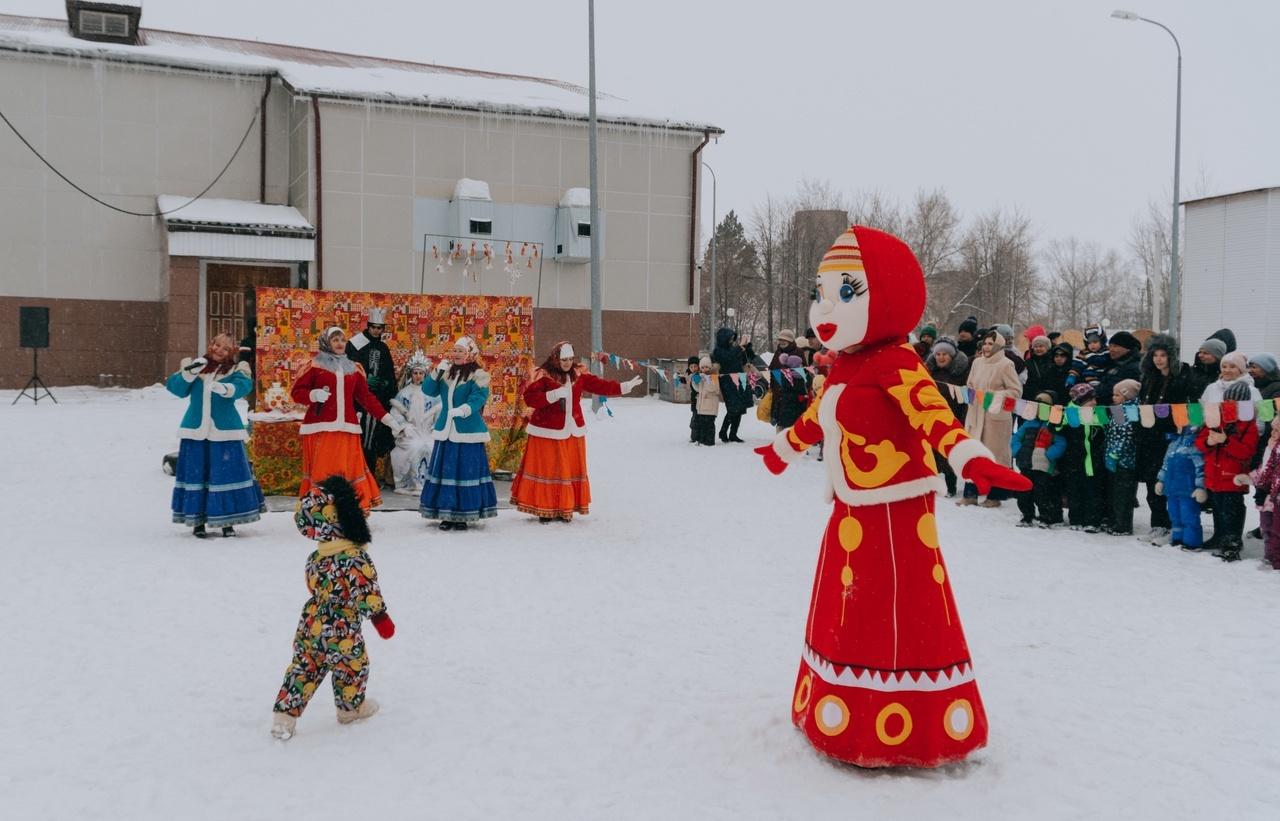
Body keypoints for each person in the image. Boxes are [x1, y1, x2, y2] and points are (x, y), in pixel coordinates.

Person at [756, 225, 1029, 768]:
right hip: (852, 507)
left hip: (897, 510)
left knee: (896, 608)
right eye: (822, 293)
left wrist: (972, 458)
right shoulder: (846, 367)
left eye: (848, 292)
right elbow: (819, 418)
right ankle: (841, 709)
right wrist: (785, 446)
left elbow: (932, 413)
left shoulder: (897, 363)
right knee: (849, 603)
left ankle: (905, 722)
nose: (827, 308)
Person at [270, 476, 395, 741]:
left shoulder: (316, 557)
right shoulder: (354, 557)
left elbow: (312, 584)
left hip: (311, 620)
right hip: (343, 626)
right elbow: (366, 589)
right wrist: (380, 617)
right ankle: (350, 708)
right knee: (352, 666)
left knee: (304, 666)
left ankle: (285, 716)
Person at [510, 341, 642, 522]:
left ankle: (565, 507)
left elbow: (600, 386)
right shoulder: (544, 376)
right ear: (556, 358)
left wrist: (623, 387)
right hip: (547, 432)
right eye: (564, 359)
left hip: (572, 432)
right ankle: (545, 508)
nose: (567, 363)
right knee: (549, 470)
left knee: (567, 471)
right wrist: (552, 395)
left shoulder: (579, 376)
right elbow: (530, 399)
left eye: (570, 359)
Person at [291, 326, 403, 511]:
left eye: (342, 340)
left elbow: (367, 398)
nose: (340, 343)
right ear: (326, 342)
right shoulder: (314, 366)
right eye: (335, 340)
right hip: (322, 429)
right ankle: (321, 509)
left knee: (346, 471)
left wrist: (389, 420)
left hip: (347, 430)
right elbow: (297, 393)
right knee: (325, 471)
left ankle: (348, 510)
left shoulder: (354, 369)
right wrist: (313, 395)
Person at [166, 332, 266, 538]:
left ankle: (228, 521)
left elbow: (243, 387)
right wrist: (190, 372)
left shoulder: (238, 368)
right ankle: (198, 522)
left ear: (232, 352)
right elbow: (176, 389)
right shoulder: (195, 365)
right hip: (195, 431)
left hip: (225, 432)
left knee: (225, 475)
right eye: (217, 345)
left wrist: (225, 388)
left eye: (226, 348)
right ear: (210, 345)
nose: (219, 350)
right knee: (198, 475)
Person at [417, 336, 498, 531]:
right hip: (446, 429)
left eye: (461, 351)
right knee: (447, 472)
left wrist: (463, 410)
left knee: (464, 471)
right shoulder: (446, 373)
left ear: (469, 353)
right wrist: (437, 371)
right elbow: (428, 390)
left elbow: (478, 398)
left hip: (468, 430)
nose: (456, 354)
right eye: (454, 350)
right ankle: (446, 513)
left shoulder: (478, 375)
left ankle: (464, 514)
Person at [1136, 334, 1194, 544]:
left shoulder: (1184, 375)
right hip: (1149, 436)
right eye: (1155, 355)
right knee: (1153, 481)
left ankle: (1175, 524)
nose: (1159, 359)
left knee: (1171, 481)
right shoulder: (1149, 377)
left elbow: (1189, 406)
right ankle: (1158, 523)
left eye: (1163, 355)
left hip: (1174, 436)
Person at [1195, 381, 1259, 560]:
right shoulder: (1215, 417)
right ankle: (1219, 536)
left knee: (1232, 509)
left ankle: (1232, 543)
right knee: (1218, 508)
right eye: (1228, 399)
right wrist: (1209, 442)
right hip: (1214, 473)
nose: (1230, 403)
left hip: (1233, 475)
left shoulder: (1248, 423)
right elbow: (1200, 443)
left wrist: (1226, 441)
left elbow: (1247, 451)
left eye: (1235, 401)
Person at [959, 329, 1023, 507]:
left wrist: (993, 395)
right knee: (973, 454)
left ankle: (995, 496)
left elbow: (1016, 391)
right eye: (985, 343)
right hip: (976, 413)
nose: (987, 347)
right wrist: (970, 392)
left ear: (999, 345)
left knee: (995, 456)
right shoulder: (977, 362)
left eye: (990, 344)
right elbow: (970, 384)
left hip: (995, 417)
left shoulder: (1006, 364)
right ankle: (970, 494)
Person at [345, 308, 398, 481]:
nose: (376, 330)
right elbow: (346, 368)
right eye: (373, 327)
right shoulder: (355, 344)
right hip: (357, 401)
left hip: (376, 400)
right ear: (368, 326)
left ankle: (369, 476)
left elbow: (389, 374)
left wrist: (385, 383)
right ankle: (355, 475)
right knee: (357, 438)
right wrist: (362, 381)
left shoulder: (383, 347)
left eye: (380, 327)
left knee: (371, 439)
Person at [1011, 389, 1067, 527]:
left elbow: (1061, 443)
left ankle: (1045, 517)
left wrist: (1049, 455)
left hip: (1043, 467)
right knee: (1024, 492)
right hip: (1026, 463)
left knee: (1042, 493)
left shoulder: (1053, 426)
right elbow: (1016, 437)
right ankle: (1027, 515)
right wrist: (1018, 450)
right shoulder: (1029, 423)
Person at [388, 351, 440, 495]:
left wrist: (435, 429)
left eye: (421, 373)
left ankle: (430, 483)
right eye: (415, 373)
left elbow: (440, 413)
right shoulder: (404, 393)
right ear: (411, 374)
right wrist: (405, 427)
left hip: (428, 432)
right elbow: (396, 413)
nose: (418, 376)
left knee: (431, 446)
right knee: (414, 446)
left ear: (426, 374)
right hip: (410, 433)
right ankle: (412, 483)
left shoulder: (433, 394)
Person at [925, 337, 971, 496]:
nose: (941, 357)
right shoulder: (929, 371)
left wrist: (962, 419)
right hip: (931, 416)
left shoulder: (961, 373)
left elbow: (966, 399)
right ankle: (931, 483)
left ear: (951, 356)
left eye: (945, 354)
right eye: (938, 354)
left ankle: (951, 486)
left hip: (953, 415)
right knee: (930, 452)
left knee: (949, 452)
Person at [1062, 383, 1107, 532]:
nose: (1094, 403)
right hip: (1074, 460)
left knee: (1093, 491)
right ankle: (1076, 519)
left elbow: (1106, 432)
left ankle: (1092, 520)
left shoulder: (1099, 413)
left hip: (1094, 460)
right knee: (1074, 490)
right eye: (1090, 400)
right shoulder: (1069, 413)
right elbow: (1056, 429)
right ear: (1080, 401)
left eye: (1095, 399)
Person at [1155, 426, 1208, 550]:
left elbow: (1200, 467)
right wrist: (1161, 480)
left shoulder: (1193, 443)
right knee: (1174, 514)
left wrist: (1200, 486)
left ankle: (1192, 541)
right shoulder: (1173, 443)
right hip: (1172, 487)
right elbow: (1166, 464)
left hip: (1188, 489)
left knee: (1189, 515)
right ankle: (1177, 537)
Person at [1103, 379, 1142, 535]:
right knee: (1115, 493)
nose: (1114, 397)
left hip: (1125, 460)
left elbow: (1126, 435)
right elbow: (1114, 433)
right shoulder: (1119, 409)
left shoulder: (1130, 410)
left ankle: (1123, 525)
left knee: (1123, 495)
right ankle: (1116, 521)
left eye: (1117, 394)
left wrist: (1115, 453)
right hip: (1115, 457)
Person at [712, 327, 755, 443]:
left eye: (733, 339)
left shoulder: (734, 349)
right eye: (730, 338)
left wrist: (747, 347)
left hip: (740, 380)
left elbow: (750, 358)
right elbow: (727, 357)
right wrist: (739, 347)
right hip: (728, 381)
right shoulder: (718, 351)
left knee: (740, 408)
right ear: (724, 339)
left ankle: (733, 434)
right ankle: (723, 431)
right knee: (733, 409)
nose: (732, 341)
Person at [1248, 423, 1280, 569]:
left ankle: (1277, 559)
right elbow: (1266, 469)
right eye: (1273, 430)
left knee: (1277, 529)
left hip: (1276, 495)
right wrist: (1260, 487)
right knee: (1267, 527)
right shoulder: (1271, 448)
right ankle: (1270, 556)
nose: (1273, 433)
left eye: (1277, 430)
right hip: (1269, 494)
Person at [1093, 331, 1143, 405]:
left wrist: (1091, 392)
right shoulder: (1114, 363)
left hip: (1120, 411)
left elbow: (1109, 389)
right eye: (1110, 346)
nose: (1111, 349)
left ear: (1127, 348)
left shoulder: (1133, 367)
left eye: (1115, 346)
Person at [772, 354, 810, 431]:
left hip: (798, 410)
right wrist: (799, 397)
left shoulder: (800, 376)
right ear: (794, 365)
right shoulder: (786, 376)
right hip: (787, 411)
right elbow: (785, 395)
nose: (801, 365)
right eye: (799, 364)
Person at [1022, 335, 1065, 402]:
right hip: (1030, 397)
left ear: (1047, 348)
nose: (1038, 349)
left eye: (1041, 346)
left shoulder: (1053, 361)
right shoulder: (1028, 362)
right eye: (1036, 347)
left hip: (1048, 398)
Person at [691, 356, 721, 446]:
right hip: (702, 406)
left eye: (706, 367)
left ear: (710, 367)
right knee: (702, 425)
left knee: (709, 425)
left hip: (710, 406)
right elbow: (698, 389)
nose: (704, 369)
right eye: (702, 367)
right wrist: (695, 382)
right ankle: (702, 440)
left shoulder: (714, 376)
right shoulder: (701, 376)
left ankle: (710, 441)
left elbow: (713, 389)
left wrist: (706, 379)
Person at [682, 354, 700, 443]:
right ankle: (694, 436)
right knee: (695, 418)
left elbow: (698, 382)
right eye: (691, 367)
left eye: (695, 366)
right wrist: (680, 377)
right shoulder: (689, 374)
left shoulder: (699, 375)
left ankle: (698, 436)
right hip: (694, 400)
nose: (694, 368)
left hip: (700, 400)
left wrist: (694, 377)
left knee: (699, 418)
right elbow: (684, 380)